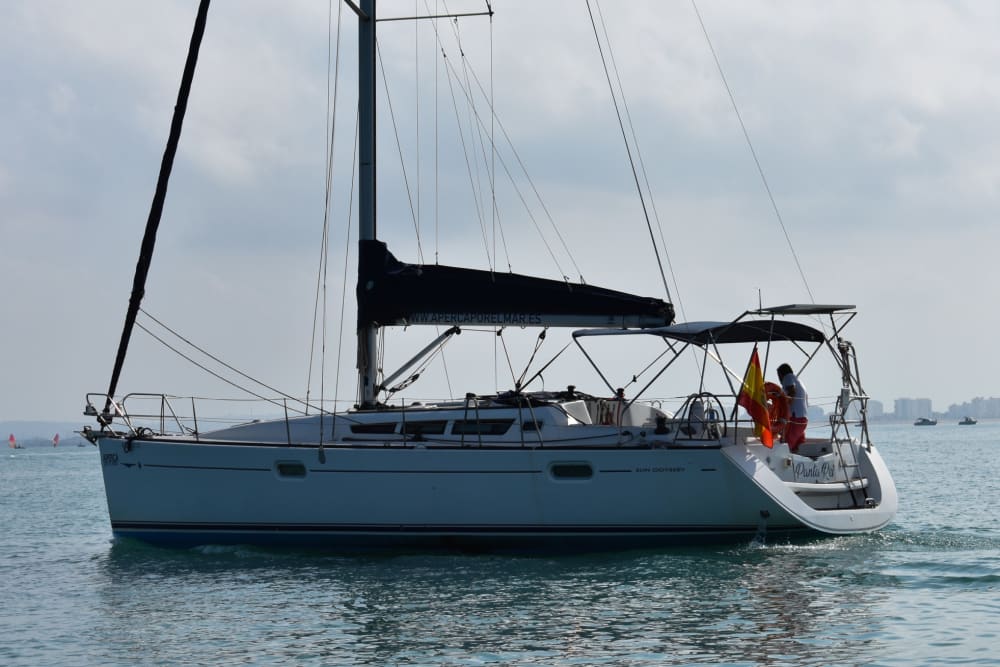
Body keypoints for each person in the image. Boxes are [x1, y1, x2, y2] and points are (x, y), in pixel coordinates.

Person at [777, 363, 808, 451]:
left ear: (782, 374)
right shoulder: (799, 381)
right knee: (796, 447)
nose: (779, 379)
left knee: (786, 444)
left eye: (779, 376)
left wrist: (783, 406)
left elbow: (792, 392)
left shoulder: (788, 377)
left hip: (796, 419)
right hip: (803, 420)